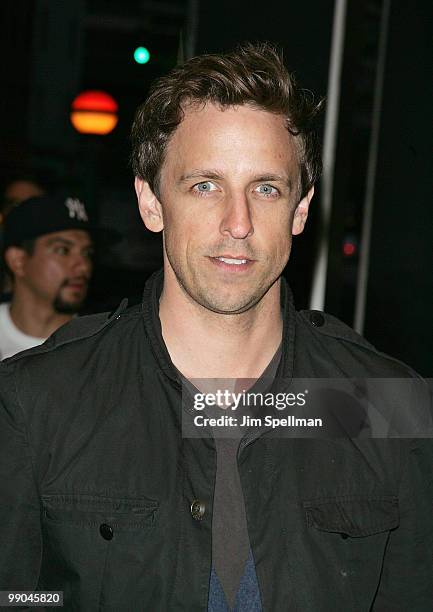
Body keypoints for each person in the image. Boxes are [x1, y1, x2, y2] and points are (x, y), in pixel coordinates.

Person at [0, 43, 431, 611]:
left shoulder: (382, 406)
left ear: (301, 210)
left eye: (266, 188)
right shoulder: (39, 401)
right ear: (151, 202)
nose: (238, 223)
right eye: (205, 185)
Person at [0, 194, 94, 358]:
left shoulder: (99, 347)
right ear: (18, 261)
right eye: (63, 250)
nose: (83, 266)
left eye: (87, 253)